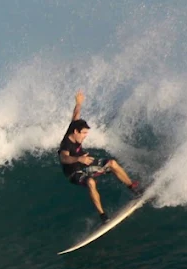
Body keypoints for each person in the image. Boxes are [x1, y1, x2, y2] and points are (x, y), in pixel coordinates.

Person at [58, 90, 142, 223]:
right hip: (73, 172)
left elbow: (75, 114)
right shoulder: (66, 144)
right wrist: (79, 159)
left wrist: (78, 102)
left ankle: (133, 188)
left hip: (85, 163)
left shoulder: (74, 127)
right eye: (83, 133)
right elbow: (64, 158)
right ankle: (103, 216)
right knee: (91, 182)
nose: (85, 136)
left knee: (112, 163)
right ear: (75, 132)